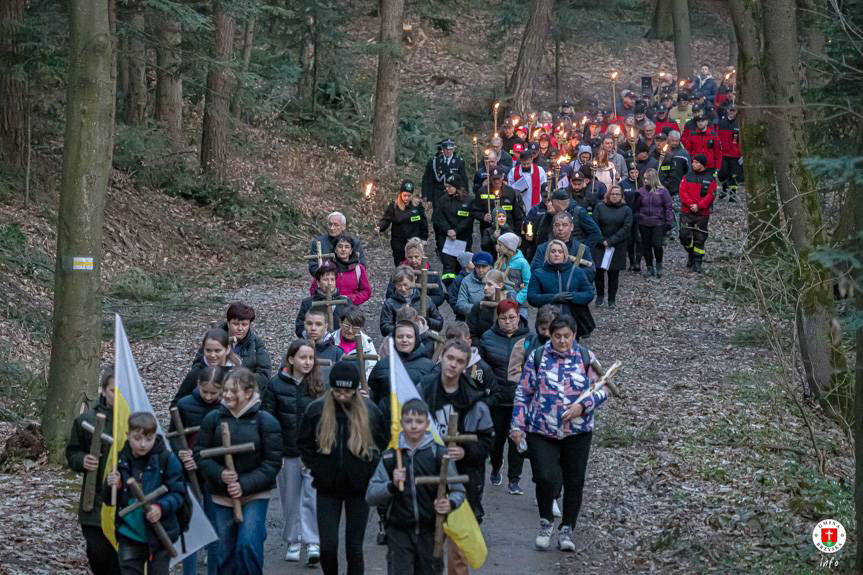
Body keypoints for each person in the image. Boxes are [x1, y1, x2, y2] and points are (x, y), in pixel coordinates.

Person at [510, 315, 608, 552]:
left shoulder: (586, 357)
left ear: (574, 336)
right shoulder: (538, 357)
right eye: (557, 336)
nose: (562, 341)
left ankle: (567, 528)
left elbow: (603, 389)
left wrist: (581, 407)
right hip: (541, 429)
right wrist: (517, 426)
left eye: (567, 336)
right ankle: (545, 521)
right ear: (550, 336)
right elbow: (523, 393)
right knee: (545, 476)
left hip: (578, 431)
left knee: (574, 480)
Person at [298, 361, 387, 575]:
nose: (342, 396)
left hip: (359, 489)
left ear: (356, 390)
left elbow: (382, 444)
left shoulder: (370, 412)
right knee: (328, 547)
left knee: (354, 547)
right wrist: (317, 467)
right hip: (327, 488)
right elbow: (304, 442)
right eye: (337, 391)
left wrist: (368, 470)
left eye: (347, 392)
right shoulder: (317, 410)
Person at [195, 367, 282, 575]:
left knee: (248, 546)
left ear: (249, 392)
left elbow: (272, 463)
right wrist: (220, 474)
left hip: (254, 495)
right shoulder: (213, 419)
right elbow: (200, 454)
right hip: (221, 496)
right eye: (225, 390)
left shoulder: (265, 422)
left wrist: (243, 484)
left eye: (234, 391)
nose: (226, 395)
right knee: (224, 553)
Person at [365, 398, 466, 575]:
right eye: (409, 421)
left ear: (427, 424)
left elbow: (458, 490)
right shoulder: (390, 457)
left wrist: (449, 504)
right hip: (399, 531)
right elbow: (371, 495)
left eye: (419, 421)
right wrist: (391, 485)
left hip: (430, 530)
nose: (413, 426)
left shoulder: (438, 454)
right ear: (401, 423)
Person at [419, 339, 494, 569]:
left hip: (463, 477)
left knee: (457, 550)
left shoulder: (474, 400)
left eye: (459, 361)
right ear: (441, 357)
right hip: (428, 473)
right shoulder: (424, 389)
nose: (453, 364)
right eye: (450, 358)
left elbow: (487, 441)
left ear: (465, 366)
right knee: (427, 544)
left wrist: (466, 450)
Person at [261, 341, 324, 566]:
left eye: (310, 358)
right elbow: (267, 419)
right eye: (302, 358)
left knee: (312, 496)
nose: (307, 362)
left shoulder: (318, 385)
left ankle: (313, 541)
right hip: (287, 452)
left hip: (312, 452)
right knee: (290, 498)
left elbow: (324, 418)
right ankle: (293, 540)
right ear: (291, 359)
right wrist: (273, 449)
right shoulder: (276, 385)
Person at [104, 412, 186, 575]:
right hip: (129, 534)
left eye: (149, 439)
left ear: (155, 436)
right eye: (137, 438)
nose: (142, 444)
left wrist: (160, 508)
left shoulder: (167, 459)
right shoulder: (120, 460)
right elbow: (109, 500)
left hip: (159, 535)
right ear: (127, 435)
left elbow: (178, 494)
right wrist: (115, 486)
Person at [66, 367, 120, 575]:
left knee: (120, 558)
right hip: (94, 498)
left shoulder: (136, 420)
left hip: (123, 499)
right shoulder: (85, 420)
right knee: (97, 552)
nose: (117, 395)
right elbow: (72, 452)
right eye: (113, 390)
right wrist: (83, 460)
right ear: (104, 390)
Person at [171, 366, 225, 575]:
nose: (209, 396)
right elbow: (174, 436)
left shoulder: (225, 408)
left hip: (214, 475)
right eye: (205, 391)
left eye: (214, 393)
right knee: (190, 528)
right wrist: (182, 454)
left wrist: (200, 459)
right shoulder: (185, 405)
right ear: (198, 386)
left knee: (215, 529)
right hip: (188, 475)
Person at [477, 300, 530, 494]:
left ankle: (514, 479)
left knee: (517, 438)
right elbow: (481, 366)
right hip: (496, 397)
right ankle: (496, 466)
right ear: (497, 318)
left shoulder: (528, 338)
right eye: (503, 318)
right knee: (497, 439)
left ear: (518, 317)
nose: (508, 322)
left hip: (520, 398)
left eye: (512, 318)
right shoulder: (487, 337)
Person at [190, 302, 272, 388]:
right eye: (236, 324)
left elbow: (264, 375)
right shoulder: (213, 340)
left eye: (244, 324)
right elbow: (196, 368)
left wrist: (240, 381)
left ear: (249, 325)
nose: (240, 328)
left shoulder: (256, 343)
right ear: (228, 323)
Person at [527, 239, 596, 340]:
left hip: (571, 321)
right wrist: (554, 297)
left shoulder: (577, 272)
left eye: (560, 251)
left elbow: (589, 294)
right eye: (553, 251)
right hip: (547, 323)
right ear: (548, 254)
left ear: (565, 254)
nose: (556, 254)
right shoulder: (538, 273)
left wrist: (572, 296)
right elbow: (532, 297)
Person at [368, 320, 437, 410]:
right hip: (387, 420)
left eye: (409, 337)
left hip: (416, 420)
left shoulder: (429, 367)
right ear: (394, 339)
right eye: (400, 336)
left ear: (416, 339)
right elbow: (374, 396)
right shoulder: (382, 365)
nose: (404, 340)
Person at [173, 328, 240, 406]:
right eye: (208, 350)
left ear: (227, 349)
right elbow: (176, 404)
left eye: (217, 350)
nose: (212, 355)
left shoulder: (238, 374)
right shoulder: (196, 373)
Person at [591, 185, 632, 308]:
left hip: (617, 245)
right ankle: (599, 296)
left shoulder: (626, 210)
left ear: (621, 196)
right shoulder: (600, 207)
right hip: (600, 244)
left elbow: (626, 228)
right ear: (608, 195)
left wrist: (611, 241)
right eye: (613, 194)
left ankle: (612, 299)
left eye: (617, 194)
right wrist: (602, 240)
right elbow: (594, 225)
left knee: (614, 274)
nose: (615, 196)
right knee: (599, 272)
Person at [431, 175, 475, 288]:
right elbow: (438, 218)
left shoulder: (468, 200)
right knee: (448, 268)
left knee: (462, 266)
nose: (447, 189)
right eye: (446, 187)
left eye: (450, 187)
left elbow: (468, 219)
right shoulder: (443, 200)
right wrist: (448, 230)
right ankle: (450, 288)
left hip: (462, 240)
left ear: (457, 187)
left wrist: (456, 231)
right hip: (447, 240)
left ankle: (463, 288)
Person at [531, 212, 595, 283]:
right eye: (557, 225)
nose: (560, 228)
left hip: (574, 291)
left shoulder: (582, 249)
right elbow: (534, 271)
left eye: (565, 225)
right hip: (549, 291)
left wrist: (569, 272)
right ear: (553, 228)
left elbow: (591, 272)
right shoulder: (543, 248)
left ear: (572, 227)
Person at [678, 154, 717, 273]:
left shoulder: (711, 179)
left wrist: (699, 206)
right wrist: (691, 204)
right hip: (686, 212)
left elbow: (711, 195)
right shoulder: (687, 177)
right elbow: (682, 192)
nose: (693, 164)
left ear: (702, 164)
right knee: (684, 236)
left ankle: (698, 262)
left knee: (700, 238)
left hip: (702, 214)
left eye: (695, 162)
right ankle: (691, 253)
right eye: (693, 162)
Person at [380, 266, 444, 336]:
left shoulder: (425, 299)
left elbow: (439, 323)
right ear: (394, 284)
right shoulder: (390, 303)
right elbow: (384, 328)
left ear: (413, 281)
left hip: (423, 339)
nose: (403, 289)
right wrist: (403, 329)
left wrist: (427, 320)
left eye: (406, 285)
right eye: (399, 285)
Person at [384, 237, 446, 309]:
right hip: (402, 309)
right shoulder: (399, 272)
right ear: (406, 256)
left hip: (425, 309)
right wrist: (402, 300)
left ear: (422, 255)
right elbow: (389, 294)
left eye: (416, 257)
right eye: (410, 257)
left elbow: (439, 297)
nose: (413, 260)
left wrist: (422, 302)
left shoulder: (431, 273)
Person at [310, 234, 371, 307]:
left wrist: (351, 299)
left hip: (350, 309)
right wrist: (324, 300)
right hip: (328, 308)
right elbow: (314, 288)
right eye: (340, 246)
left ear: (351, 251)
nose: (343, 249)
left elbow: (366, 291)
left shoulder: (358, 269)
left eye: (347, 247)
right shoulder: (326, 267)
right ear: (335, 249)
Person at [378, 180, 429, 266]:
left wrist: (424, 238)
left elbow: (423, 223)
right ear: (400, 194)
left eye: (409, 196)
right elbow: (386, 219)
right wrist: (380, 227)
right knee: (401, 267)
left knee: (415, 265)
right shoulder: (394, 206)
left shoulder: (417, 206)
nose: (406, 198)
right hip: (399, 243)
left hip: (414, 242)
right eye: (404, 195)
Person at [296, 262, 352, 338]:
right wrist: (313, 335)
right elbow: (299, 327)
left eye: (332, 279)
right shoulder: (308, 303)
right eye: (325, 279)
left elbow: (353, 323)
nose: (329, 283)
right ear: (318, 282)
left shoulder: (345, 301)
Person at [635, 168, 674, 278]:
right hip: (644, 222)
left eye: (647, 179)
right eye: (644, 178)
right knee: (646, 246)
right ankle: (649, 267)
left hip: (657, 222)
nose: (645, 181)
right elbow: (637, 207)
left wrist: (668, 221)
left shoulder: (662, 191)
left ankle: (659, 264)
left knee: (657, 245)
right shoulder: (641, 191)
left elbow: (668, 206)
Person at [472, 166, 525, 243]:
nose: (496, 182)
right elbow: (474, 210)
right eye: (494, 179)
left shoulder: (510, 192)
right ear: (489, 178)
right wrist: (483, 216)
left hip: (508, 231)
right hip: (489, 232)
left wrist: (518, 234)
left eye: (498, 179)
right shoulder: (482, 191)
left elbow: (517, 216)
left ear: (502, 177)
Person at [444, 322, 497, 395]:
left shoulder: (482, 368)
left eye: (459, 342)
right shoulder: (440, 365)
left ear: (469, 342)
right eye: (451, 342)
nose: (455, 346)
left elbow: (493, 394)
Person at [325, 308, 379, 380]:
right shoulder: (330, 339)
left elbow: (372, 367)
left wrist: (358, 384)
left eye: (355, 327)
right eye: (347, 326)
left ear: (361, 328)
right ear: (340, 323)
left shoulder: (367, 343)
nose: (350, 331)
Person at [658, 130, 690, 236]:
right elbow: (661, 169)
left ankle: (676, 230)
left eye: (677, 141)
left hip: (678, 187)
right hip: (664, 186)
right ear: (668, 140)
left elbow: (688, 171)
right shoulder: (664, 152)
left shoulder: (684, 154)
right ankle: (667, 228)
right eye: (673, 140)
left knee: (676, 209)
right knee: (665, 209)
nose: (675, 143)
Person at [422, 138, 469, 210]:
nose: (448, 151)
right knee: (438, 217)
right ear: (442, 149)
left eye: (450, 149)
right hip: (438, 195)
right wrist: (427, 197)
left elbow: (464, 179)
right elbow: (428, 180)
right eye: (446, 149)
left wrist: (465, 194)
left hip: (454, 194)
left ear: (453, 149)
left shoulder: (459, 162)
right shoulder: (435, 161)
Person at [466, 269, 509, 340]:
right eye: (484, 284)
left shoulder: (510, 306)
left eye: (490, 284)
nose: (485, 288)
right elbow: (471, 333)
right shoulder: (479, 306)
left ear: (500, 285)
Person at [507, 143, 547, 213]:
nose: (525, 166)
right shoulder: (513, 171)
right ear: (520, 160)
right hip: (519, 204)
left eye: (528, 164)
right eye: (523, 164)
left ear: (532, 159)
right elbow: (509, 188)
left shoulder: (540, 170)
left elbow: (544, 187)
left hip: (535, 204)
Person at [495, 232, 531, 307]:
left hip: (519, 305)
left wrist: (517, 300)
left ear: (509, 247)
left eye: (500, 245)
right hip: (502, 301)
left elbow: (528, 285)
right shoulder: (501, 261)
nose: (497, 247)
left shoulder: (522, 263)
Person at [454, 251, 493, 318]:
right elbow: (460, 304)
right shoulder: (466, 281)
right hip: (474, 320)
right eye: (478, 266)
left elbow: (511, 293)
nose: (481, 270)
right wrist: (478, 307)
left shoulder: (497, 276)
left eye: (484, 266)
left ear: (490, 266)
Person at [716, 104, 742, 202]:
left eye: (734, 110)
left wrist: (741, 153)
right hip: (723, 153)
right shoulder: (721, 123)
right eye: (730, 110)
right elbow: (717, 137)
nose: (732, 112)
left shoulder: (738, 124)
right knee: (722, 173)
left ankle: (732, 195)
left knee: (733, 175)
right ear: (727, 111)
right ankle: (724, 188)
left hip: (735, 154)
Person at [619, 164, 642, 272]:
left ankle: (638, 262)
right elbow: (620, 199)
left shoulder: (642, 184)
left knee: (639, 238)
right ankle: (632, 262)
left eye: (636, 172)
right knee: (630, 240)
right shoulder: (623, 184)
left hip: (640, 215)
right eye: (632, 172)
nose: (634, 175)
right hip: (628, 215)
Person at [447, 251, 474, 320]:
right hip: (462, 316)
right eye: (472, 260)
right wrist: (459, 310)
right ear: (465, 263)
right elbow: (453, 297)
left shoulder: (476, 277)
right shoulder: (459, 280)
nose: (475, 262)